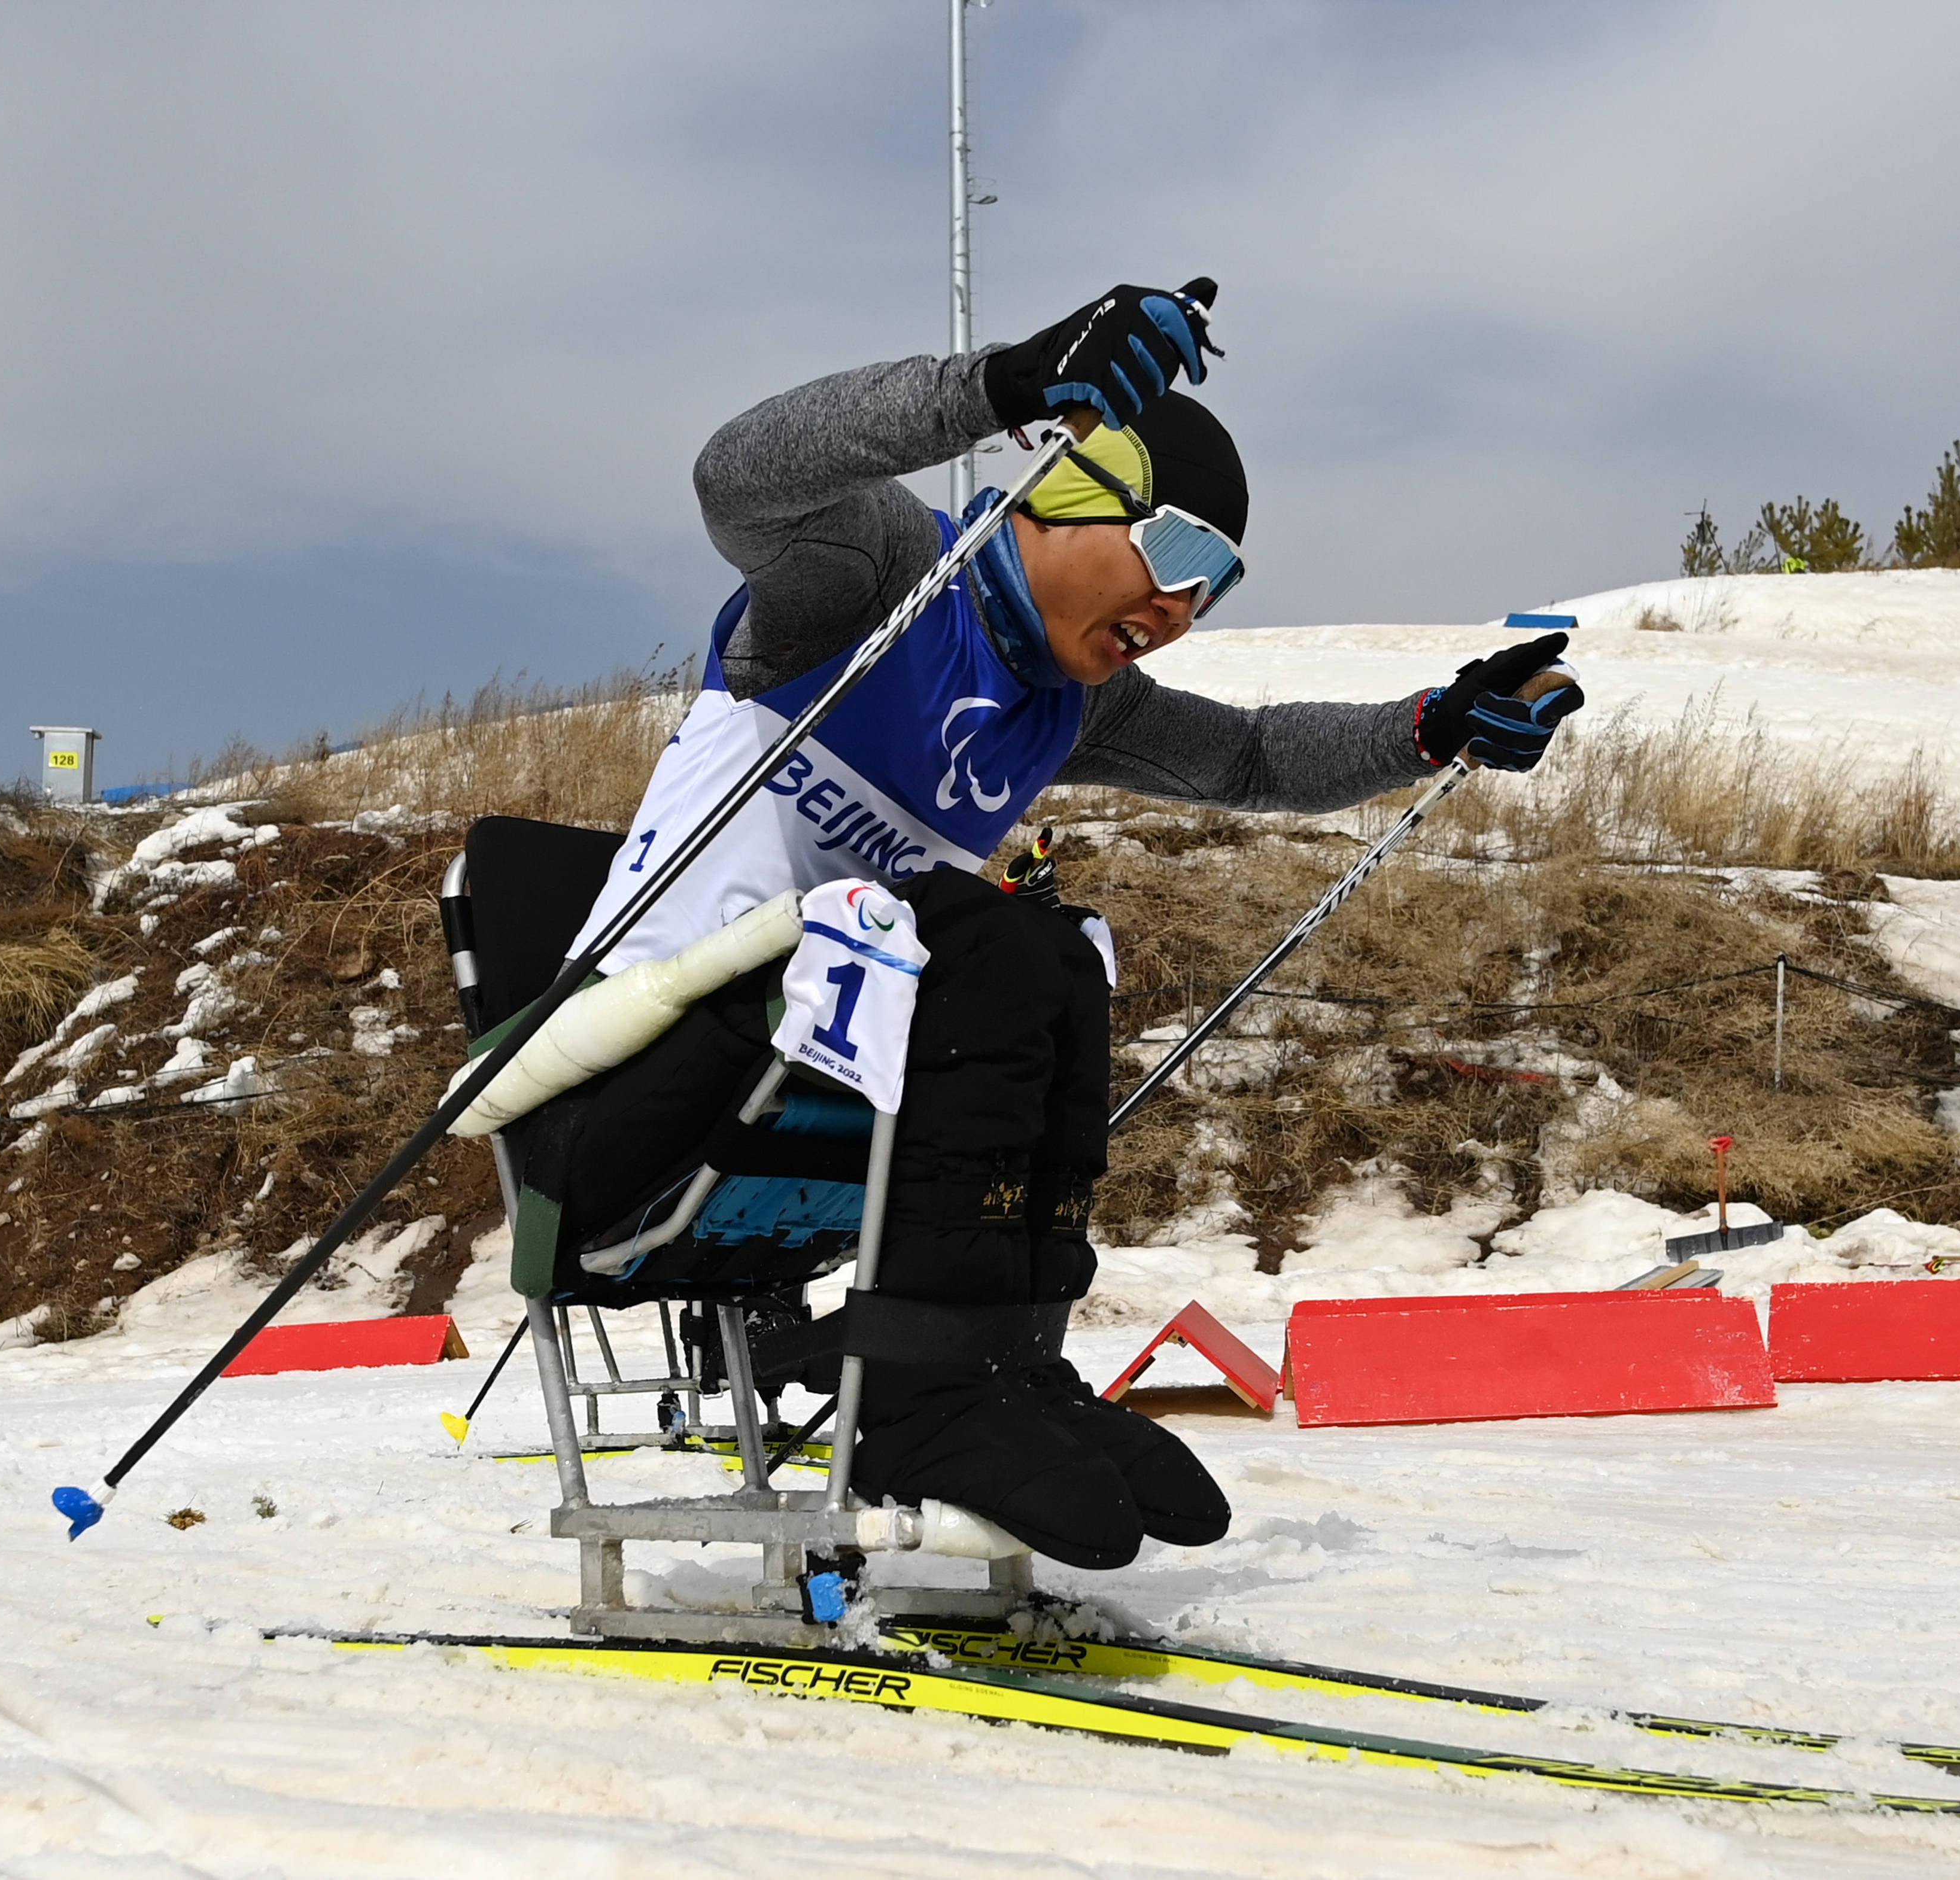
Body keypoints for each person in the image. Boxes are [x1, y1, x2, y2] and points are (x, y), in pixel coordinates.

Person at [512, 278, 1581, 1571]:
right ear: (1065, 497)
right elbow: (738, 474)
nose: (1182, 611)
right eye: (1179, 558)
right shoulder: (879, 576)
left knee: (1058, 954)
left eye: (1216, 590)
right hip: (642, 1082)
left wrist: (1431, 726)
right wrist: (1010, 382)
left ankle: (1000, 1363)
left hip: (809, 1079)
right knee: (984, 934)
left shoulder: (1067, 705)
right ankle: (915, 1396)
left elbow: (1244, 758)